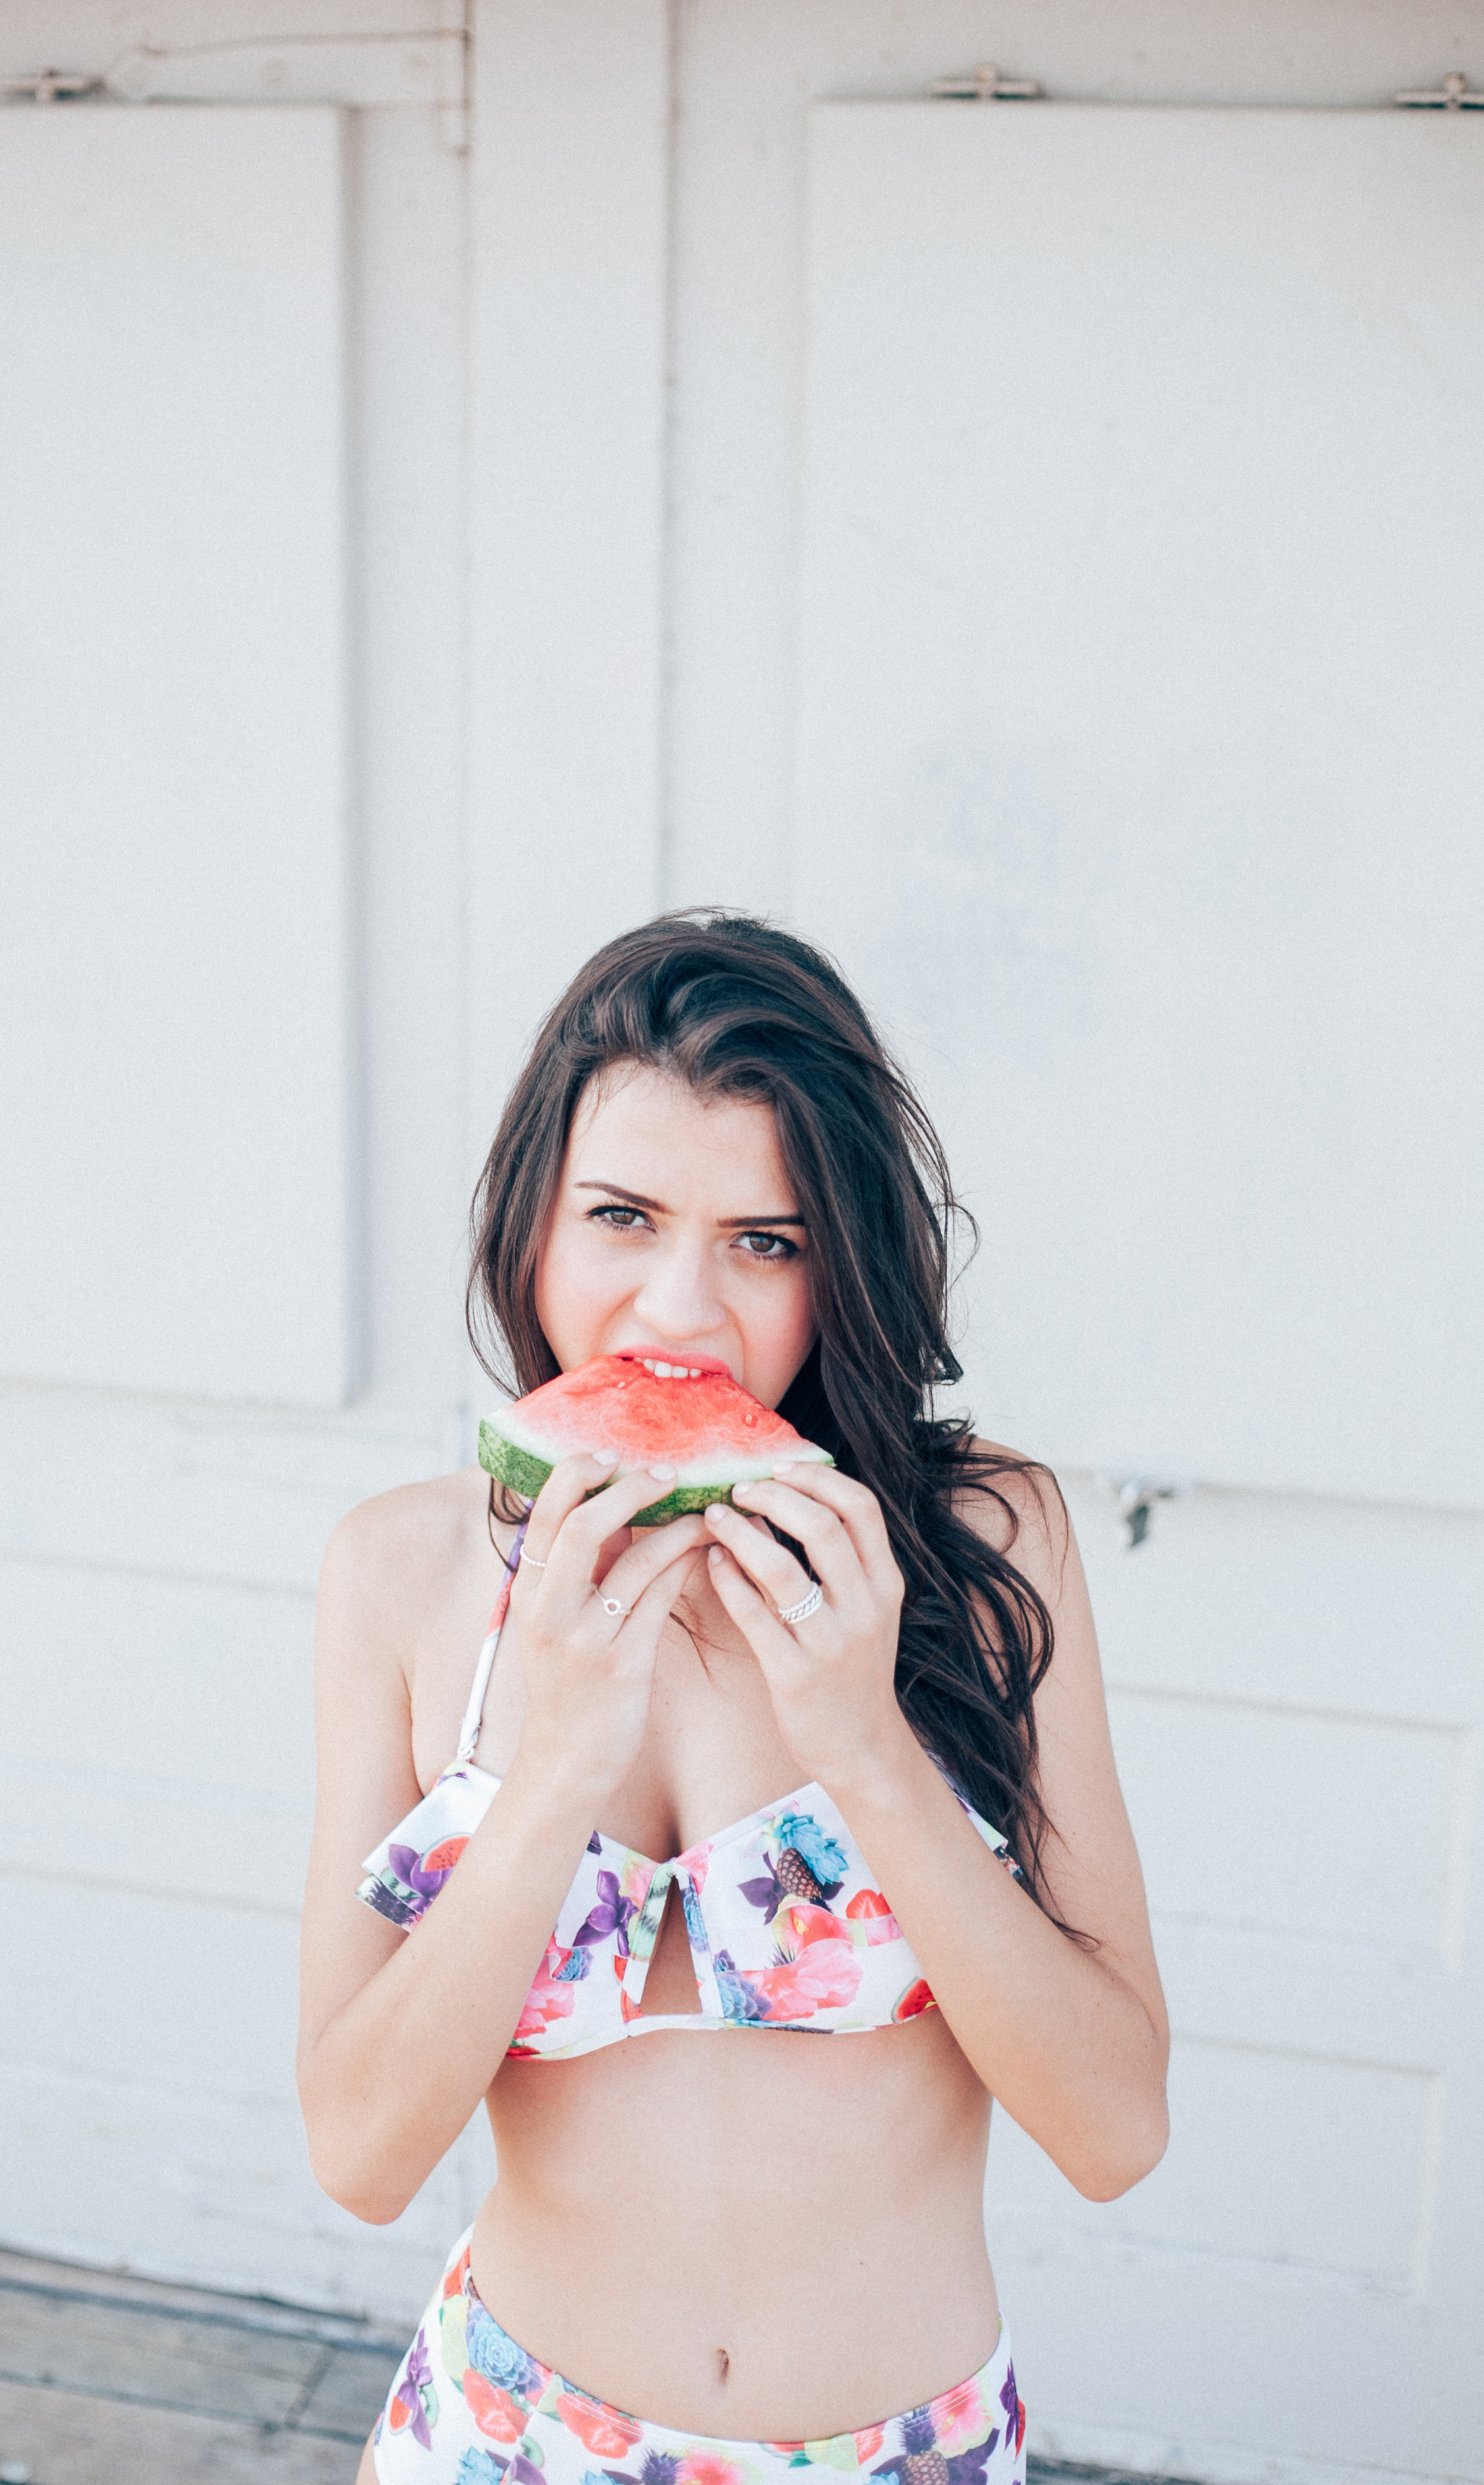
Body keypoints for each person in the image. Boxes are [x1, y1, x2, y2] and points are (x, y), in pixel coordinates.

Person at [298, 912, 1169, 2485]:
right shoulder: (400, 1575)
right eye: (622, 1215)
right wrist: (552, 1767)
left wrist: (862, 1742)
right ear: (532, 1226)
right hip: (509, 2436)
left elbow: (1116, 2128)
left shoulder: (983, 1547)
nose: (680, 1313)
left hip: (900, 2455)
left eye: (764, 1240)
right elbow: (359, 2152)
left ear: (839, 1265)